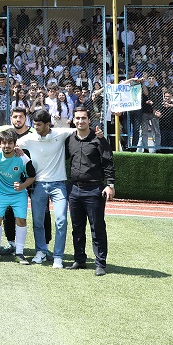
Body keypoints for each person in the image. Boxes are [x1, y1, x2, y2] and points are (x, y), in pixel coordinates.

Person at [17, 108, 75, 268]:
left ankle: (58, 257)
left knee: (61, 220)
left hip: (59, 184)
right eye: (34, 124)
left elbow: (79, 129)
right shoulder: (28, 138)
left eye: (39, 124)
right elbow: (9, 143)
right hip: (38, 185)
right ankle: (41, 252)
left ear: (48, 124)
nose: (35, 127)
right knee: (38, 221)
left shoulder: (60, 133)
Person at [66, 106, 115, 276]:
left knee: (97, 228)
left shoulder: (99, 139)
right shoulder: (69, 140)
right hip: (74, 190)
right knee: (77, 227)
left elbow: (108, 162)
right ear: (73, 120)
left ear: (89, 120)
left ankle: (100, 263)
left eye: (83, 118)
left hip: (94, 190)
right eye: (77, 118)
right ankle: (79, 260)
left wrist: (110, 185)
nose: (80, 121)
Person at [0, 129, 37, 264]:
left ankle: (19, 253)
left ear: (15, 144)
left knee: (21, 220)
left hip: (18, 194)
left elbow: (32, 176)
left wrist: (22, 186)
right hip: (0, 193)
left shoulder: (23, 158)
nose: (7, 146)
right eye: (4, 143)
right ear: (0, 144)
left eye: (10, 143)